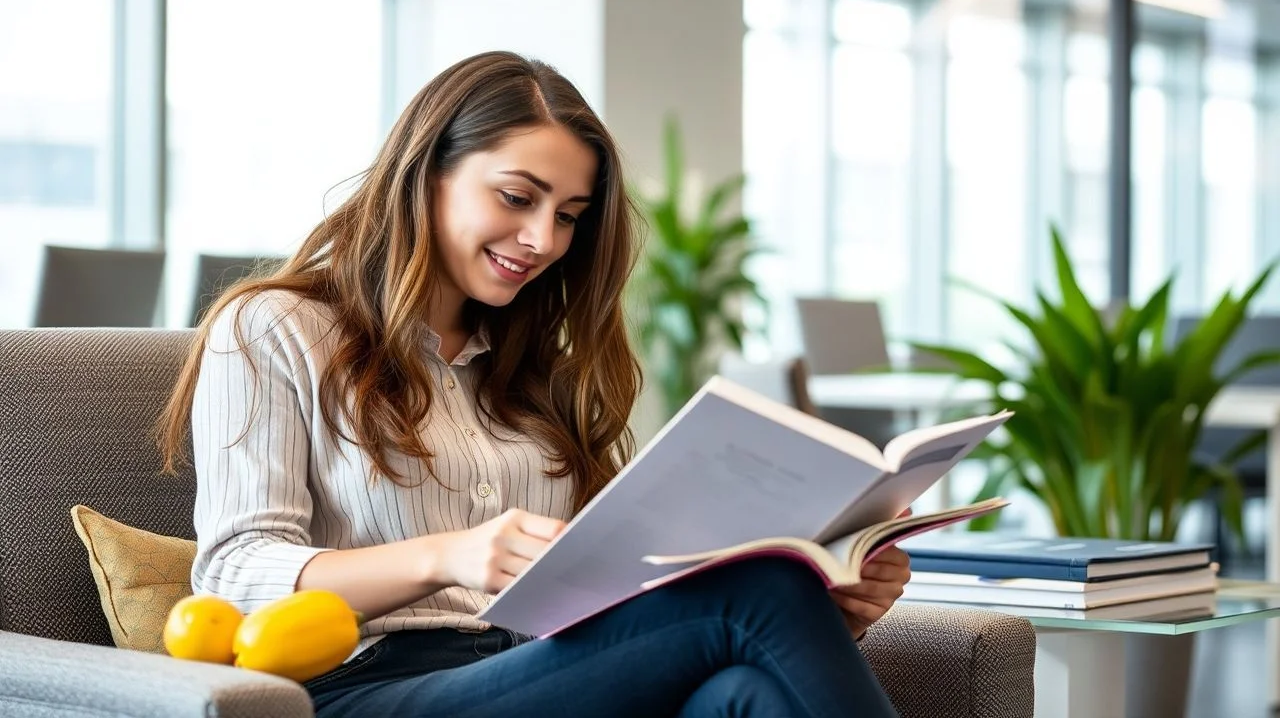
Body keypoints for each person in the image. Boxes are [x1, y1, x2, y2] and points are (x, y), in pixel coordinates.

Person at [159, 50, 909, 718]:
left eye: (569, 216)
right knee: (758, 597)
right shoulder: (273, 328)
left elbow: (604, 583)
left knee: (746, 693)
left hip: (540, 671)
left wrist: (832, 608)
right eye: (518, 198)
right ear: (427, 172)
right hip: (363, 684)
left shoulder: (538, 367)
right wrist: (445, 557)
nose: (543, 240)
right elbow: (232, 573)